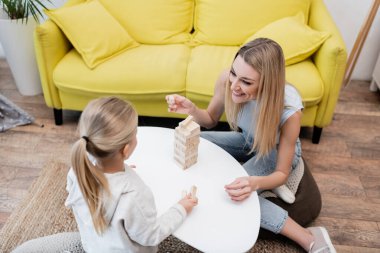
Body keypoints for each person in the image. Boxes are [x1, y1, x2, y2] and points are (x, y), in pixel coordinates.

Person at [166, 38, 335, 253]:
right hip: (249, 139)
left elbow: (282, 172)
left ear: (267, 83)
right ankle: (264, 183)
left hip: (274, 152)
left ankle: (308, 237)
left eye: (246, 82)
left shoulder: (289, 110)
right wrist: (191, 109)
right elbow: (209, 119)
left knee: (232, 192)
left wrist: (254, 183)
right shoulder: (227, 80)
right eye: (234, 73)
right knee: (199, 140)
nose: (234, 85)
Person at [66, 97, 198, 253]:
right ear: (126, 150)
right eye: (135, 132)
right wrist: (180, 208)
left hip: (93, 247)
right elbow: (151, 235)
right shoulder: (134, 195)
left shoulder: (78, 169)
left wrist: (118, 168)